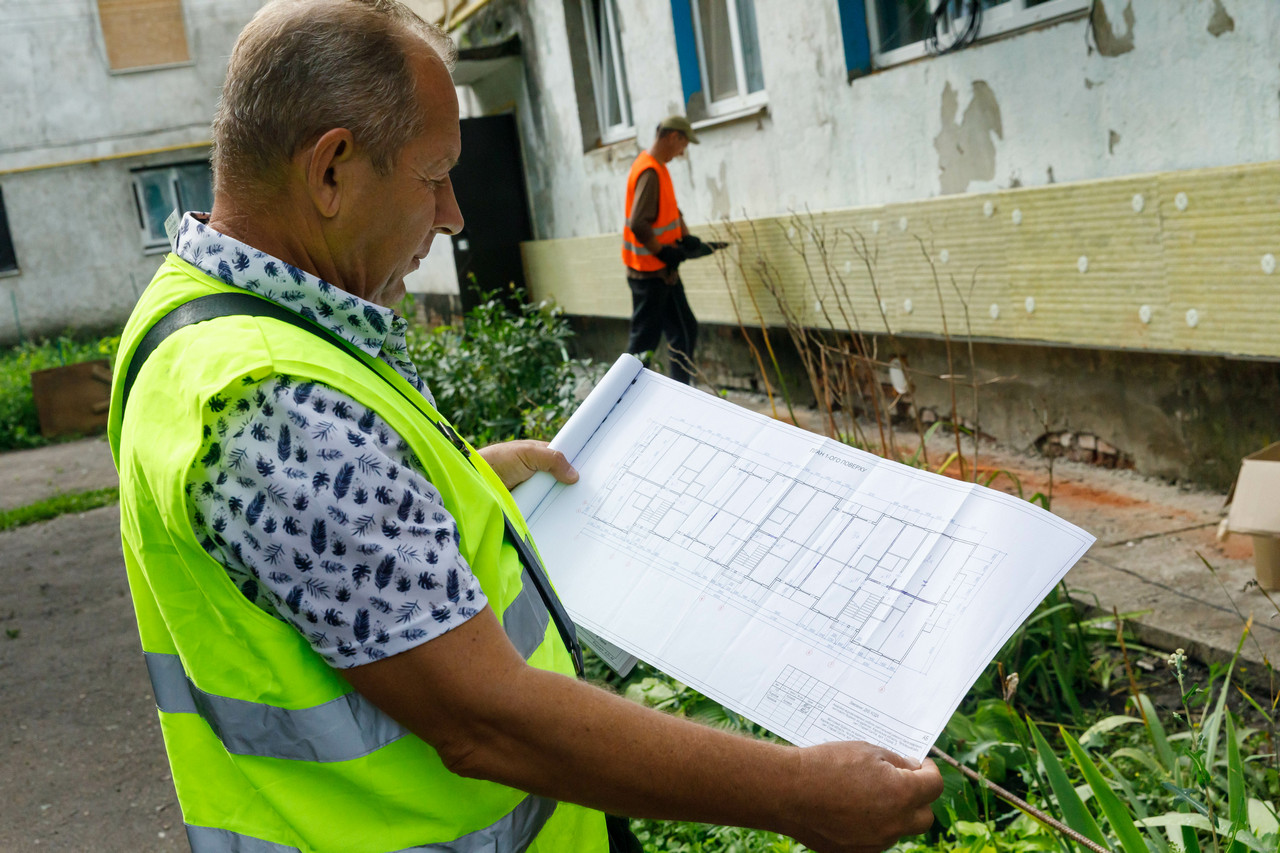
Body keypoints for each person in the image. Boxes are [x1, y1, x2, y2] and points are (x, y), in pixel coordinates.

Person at [106, 1, 943, 851]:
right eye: (435, 175)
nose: (453, 216)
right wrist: (798, 792)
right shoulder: (271, 400)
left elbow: (315, 528)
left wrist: (453, 475)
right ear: (331, 170)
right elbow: (488, 722)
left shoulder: (201, 320)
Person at [621, 116, 721, 385]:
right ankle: (619, 399)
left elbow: (671, 210)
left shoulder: (657, 168)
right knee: (643, 346)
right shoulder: (650, 172)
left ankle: (678, 393)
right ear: (674, 137)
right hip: (650, 274)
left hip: (661, 272)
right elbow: (638, 223)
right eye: (684, 143)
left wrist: (686, 239)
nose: (683, 151)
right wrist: (663, 252)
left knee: (683, 330)